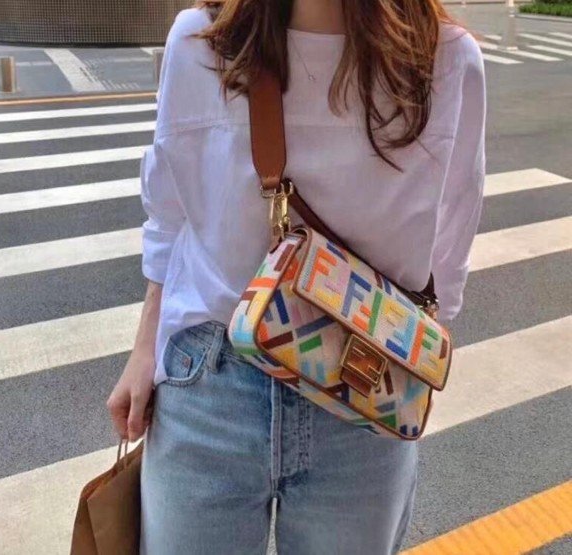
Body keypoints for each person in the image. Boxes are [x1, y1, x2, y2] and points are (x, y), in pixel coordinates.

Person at [107, 0, 486, 553]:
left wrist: (408, 378)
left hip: (363, 397)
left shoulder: (449, 61)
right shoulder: (202, 43)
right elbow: (171, 215)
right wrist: (145, 352)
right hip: (213, 381)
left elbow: (449, 251)